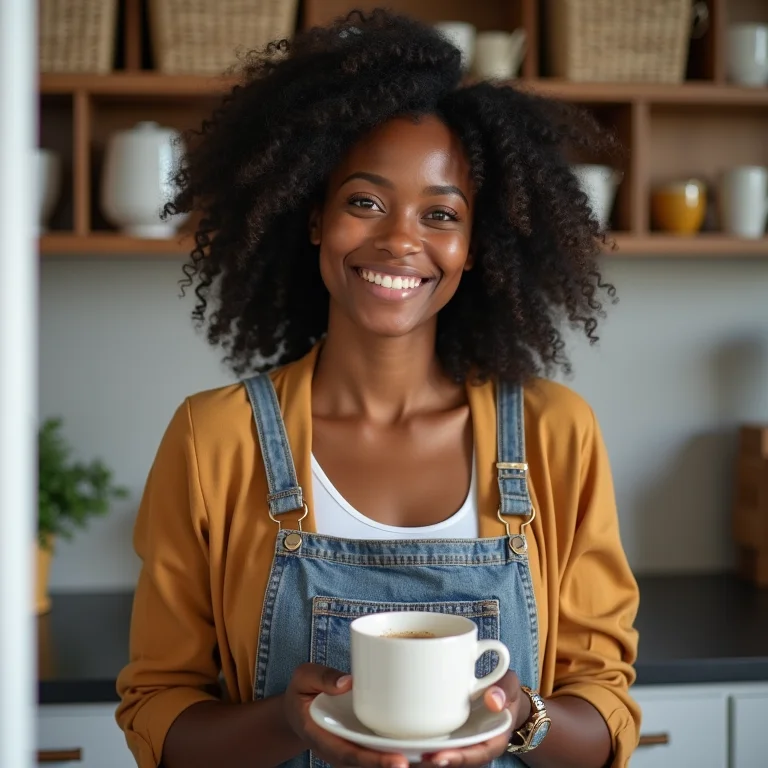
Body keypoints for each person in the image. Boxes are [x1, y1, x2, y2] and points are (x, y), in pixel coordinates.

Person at [115, 9, 640, 768]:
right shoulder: (214, 440)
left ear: (472, 249)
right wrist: (287, 724)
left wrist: (522, 717)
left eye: (440, 214)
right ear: (314, 218)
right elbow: (159, 718)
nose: (400, 240)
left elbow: (605, 717)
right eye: (365, 201)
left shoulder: (557, 433)